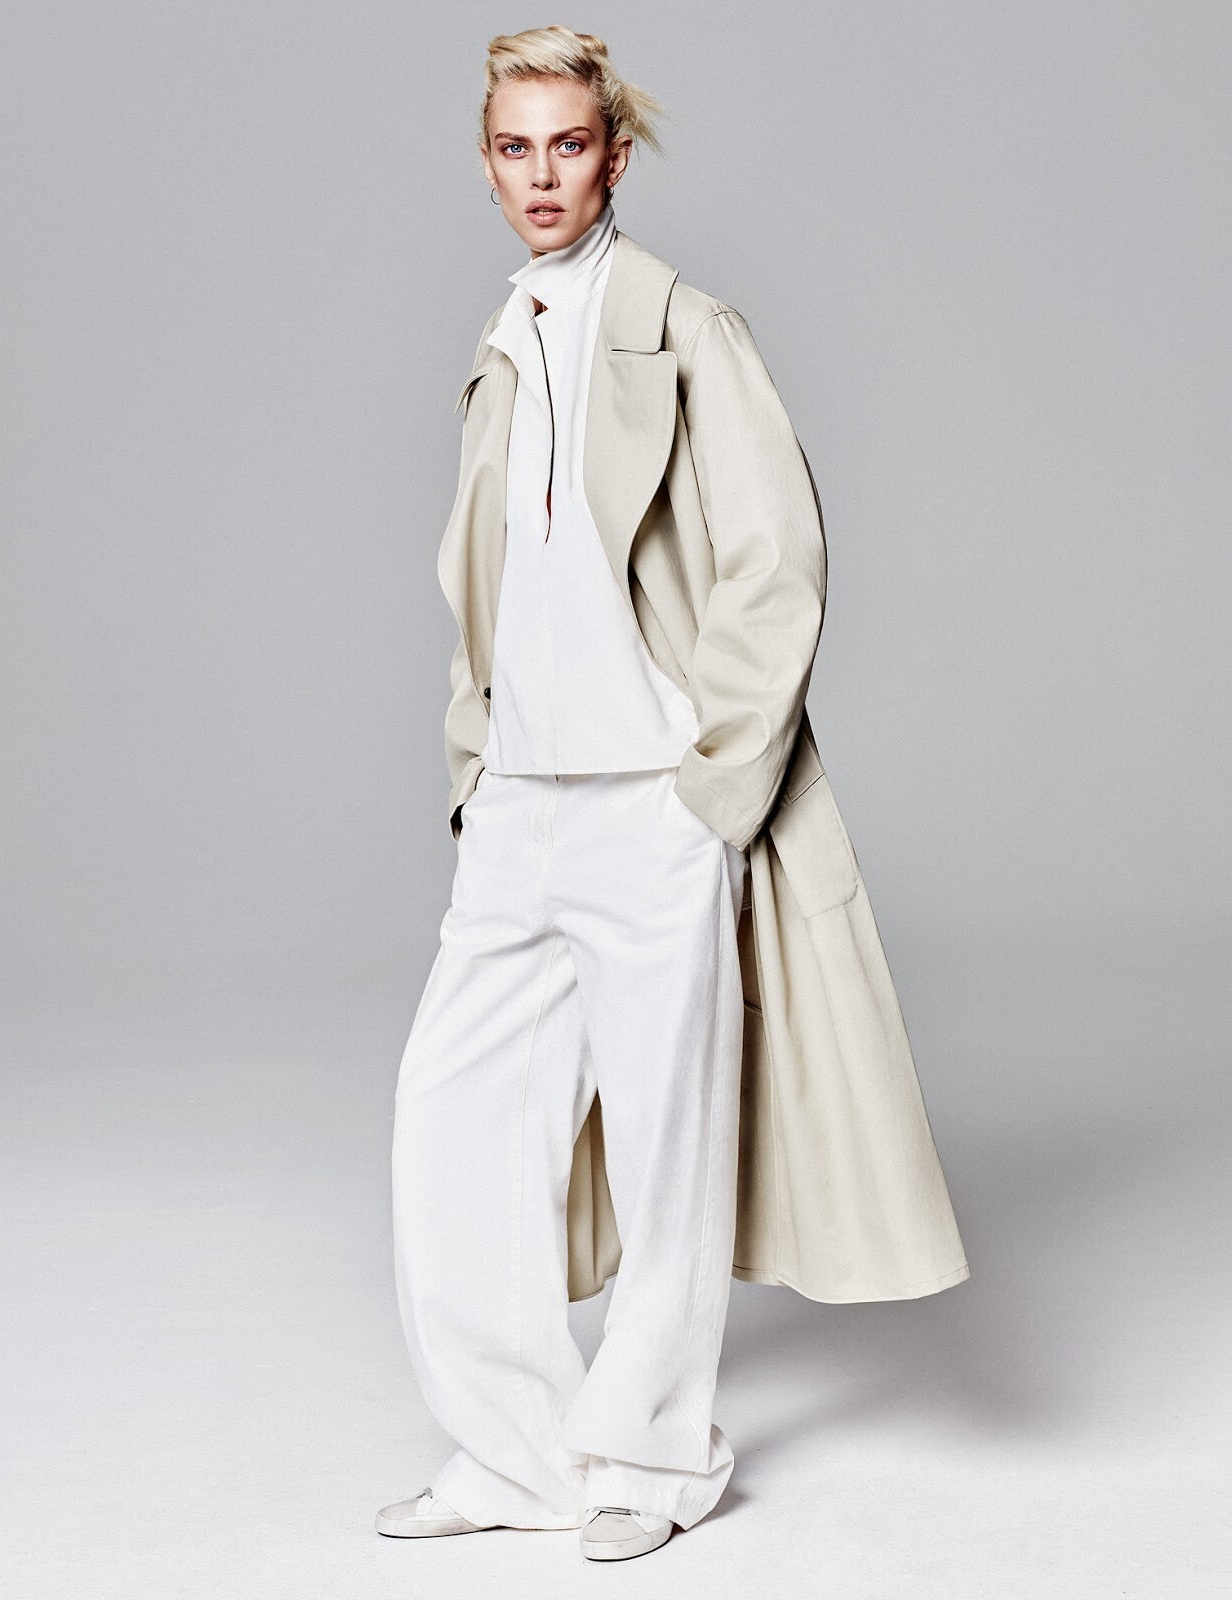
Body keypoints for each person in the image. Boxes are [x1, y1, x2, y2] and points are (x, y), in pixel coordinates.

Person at [377, 24, 969, 1566]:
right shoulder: (503, 343)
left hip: (653, 802)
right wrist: (473, 766)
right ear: (486, 164)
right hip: (518, 802)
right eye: (514, 148)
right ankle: (512, 1454)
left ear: (614, 157)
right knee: (449, 1122)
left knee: (664, 1141)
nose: (541, 175)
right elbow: (487, 585)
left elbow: (777, 561)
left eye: (567, 145)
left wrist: (713, 789)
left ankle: (650, 1454)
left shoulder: (685, 328)